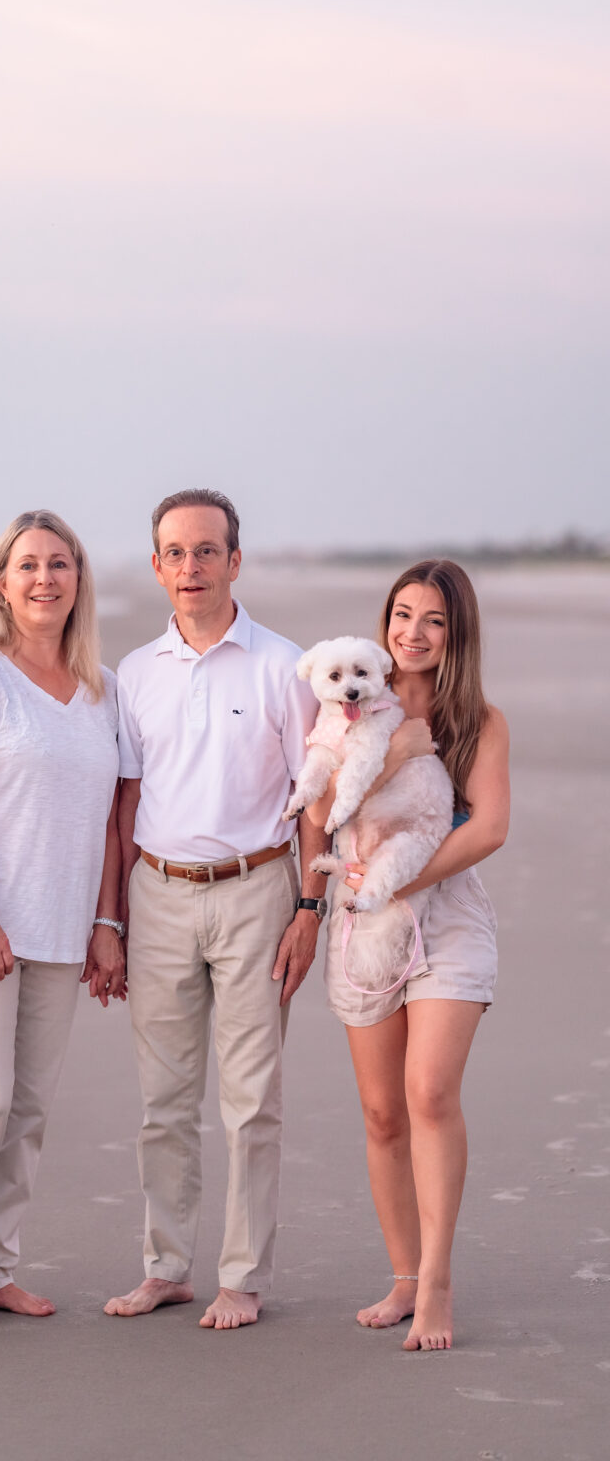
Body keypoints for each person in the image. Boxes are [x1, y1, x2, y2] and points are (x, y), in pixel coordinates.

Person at [104, 488, 325, 1331]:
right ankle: (165, 1267)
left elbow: (316, 800)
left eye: (206, 551)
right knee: (163, 1101)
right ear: (156, 566)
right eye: (174, 552)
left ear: (236, 560)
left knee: (251, 1100)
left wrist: (312, 906)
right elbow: (126, 804)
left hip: (259, 892)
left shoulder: (284, 665)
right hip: (157, 895)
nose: (190, 567)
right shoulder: (134, 674)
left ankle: (242, 1277)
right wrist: (111, 922)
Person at [0, 510, 124, 1330]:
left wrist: (106, 922)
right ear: (3, 584)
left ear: (79, 581)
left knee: (30, 1107)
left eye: (60, 564)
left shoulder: (98, 688)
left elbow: (113, 816)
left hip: (60, 926)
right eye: (28, 565)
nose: (45, 579)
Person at [313, 559, 509, 1352]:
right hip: (361, 923)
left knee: (428, 1093)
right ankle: (402, 1275)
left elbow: (487, 828)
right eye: (401, 615)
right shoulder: (349, 702)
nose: (413, 633)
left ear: (455, 632)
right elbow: (323, 811)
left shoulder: (482, 721)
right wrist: (396, 755)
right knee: (382, 1111)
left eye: (432, 619)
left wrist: (394, 880)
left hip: (447, 913)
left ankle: (437, 1283)